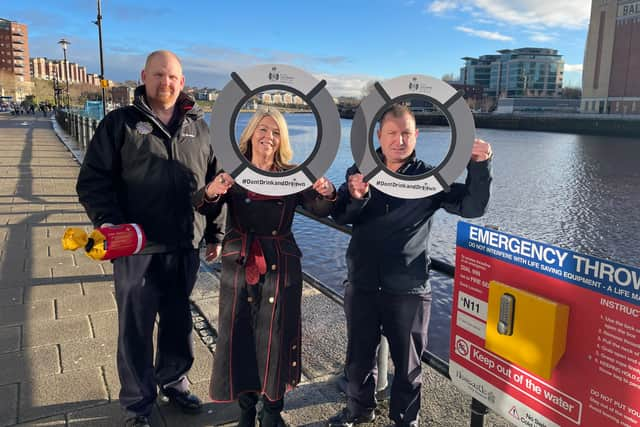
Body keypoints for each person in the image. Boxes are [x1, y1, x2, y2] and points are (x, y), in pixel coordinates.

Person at [76, 50, 223, 427]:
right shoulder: (120, 123)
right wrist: (109, 223)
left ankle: (174, 381)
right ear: (144, 76)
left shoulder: (200, 127)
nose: (166, 83)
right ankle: (138, 404)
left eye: (172, 76)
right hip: (136, 248)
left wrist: (216, 232)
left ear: (182, 81)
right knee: (136, 329)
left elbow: (215, 184)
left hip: (183, 246)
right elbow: (93, 180)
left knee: (178, 322)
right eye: (159, 75)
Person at [328, 104, 493, 427]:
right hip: (362, 283)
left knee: (408, 366)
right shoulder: (359, 169)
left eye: (406, 133)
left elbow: (472, 207)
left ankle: (405, 420)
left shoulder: (429, 178)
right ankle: (359, 411)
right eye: (392, 133)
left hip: (409, 289)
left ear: (416, 136)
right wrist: (357, 196)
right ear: (379, 135)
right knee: (359, 360)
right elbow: (341, 215)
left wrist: (480, 166)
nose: (399, 140)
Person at [194, 108, 337, 427]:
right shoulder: (233, 171)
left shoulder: (292, 174)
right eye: (263, 129)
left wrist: (327, 193)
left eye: (275, 132)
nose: (268, 137)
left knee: (277, 338)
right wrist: (213, 189)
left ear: (282, 139)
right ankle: (246, 410)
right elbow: (204, 204)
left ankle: (272, 410)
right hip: (239, 263)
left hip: (281, 266)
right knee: (241, 335)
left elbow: (320, 208)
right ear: (251, 132)